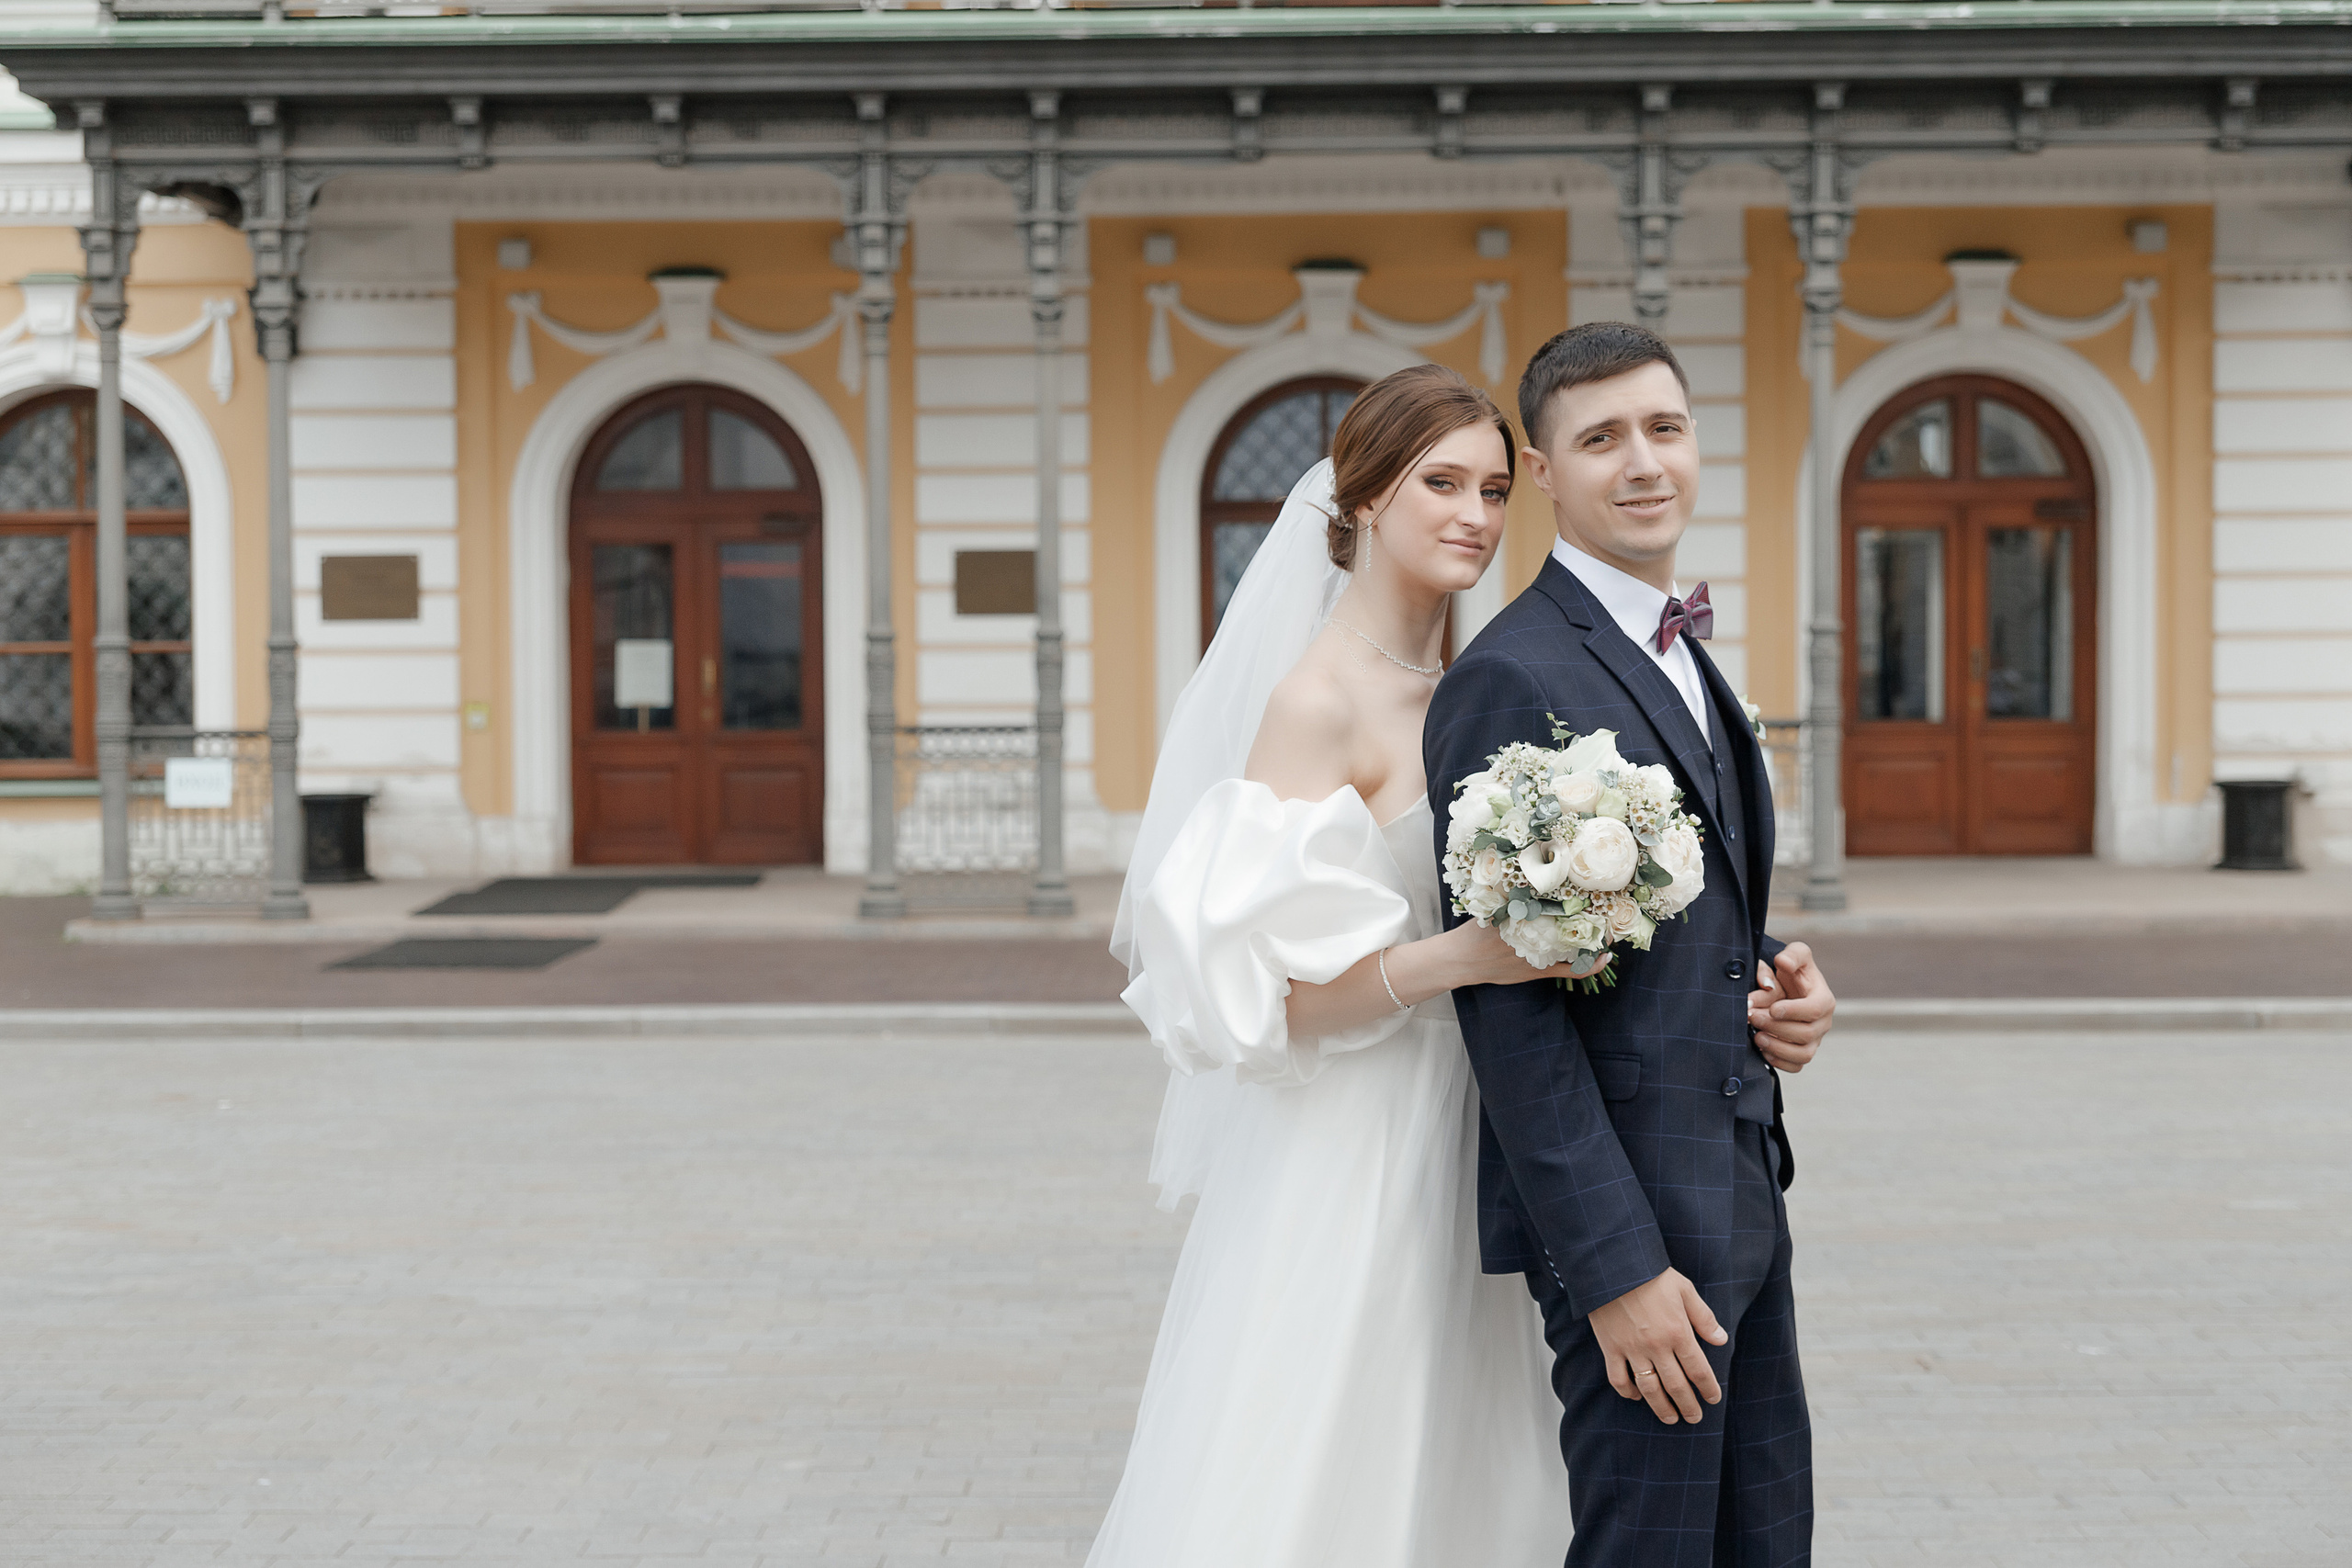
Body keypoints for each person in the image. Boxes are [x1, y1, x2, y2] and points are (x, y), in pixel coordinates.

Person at [1095, 365, 1587, 1566]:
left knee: (1474, 1460)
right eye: (1440, 484)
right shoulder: (1317, 703)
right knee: (1336, 1454)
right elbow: (1269, 1005)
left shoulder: (1482, 686)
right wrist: (1463, 958)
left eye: (1489, 489)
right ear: (1364, 498)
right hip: (1361, 1144)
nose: (1474, 513)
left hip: (1480, 1124)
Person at [1423, 321, 1838, 1567]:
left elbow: (1678, 922)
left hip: (1740, 1190)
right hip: (1637, 1232)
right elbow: (1507, 1005)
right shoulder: (1511, 675)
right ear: (1544, 473)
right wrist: (1612, 1270)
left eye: (1665, 428)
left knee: (1764, 1541)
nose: (1644, 462)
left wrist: (1777, 984)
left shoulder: (1682, 651)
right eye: (1601, 439)